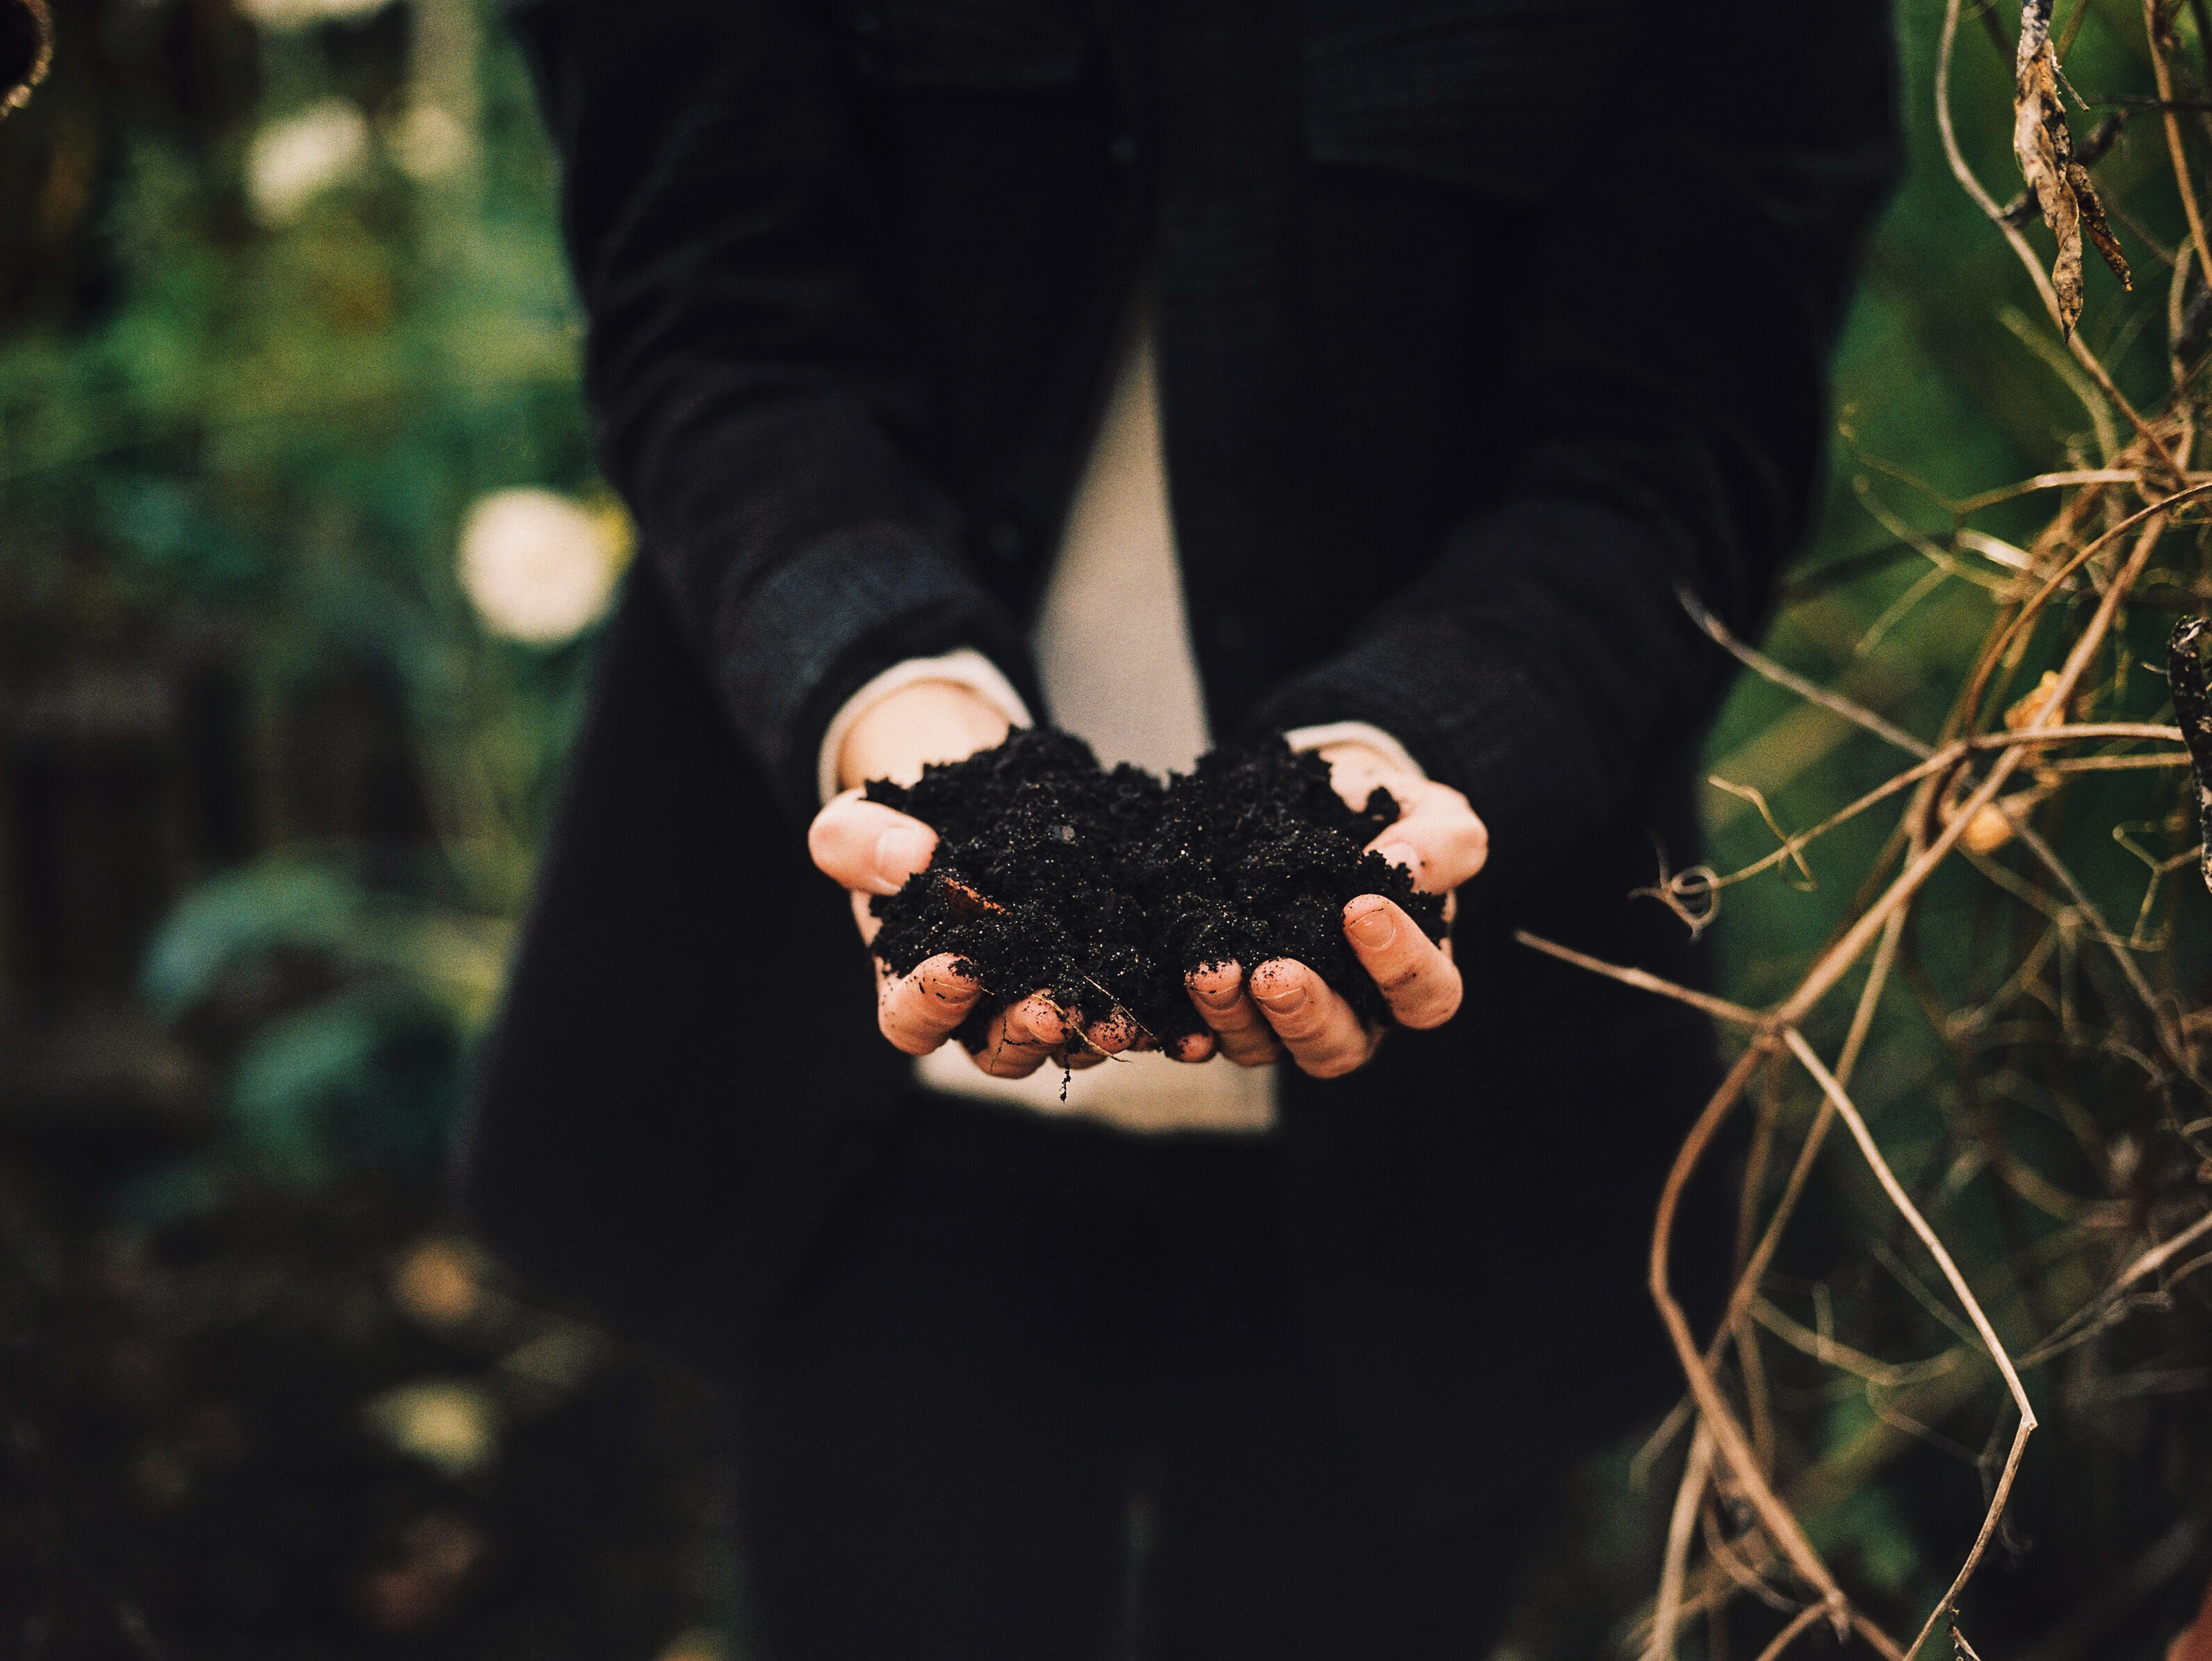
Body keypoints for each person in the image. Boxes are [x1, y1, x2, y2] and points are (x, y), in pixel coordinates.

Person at [460, 1, 1897, 1654]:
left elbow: (1672, 431)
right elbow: (716, 308)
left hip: (1452, 1107)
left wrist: (1412, 747)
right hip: (865, 1093)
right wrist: (887, 691)